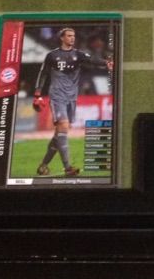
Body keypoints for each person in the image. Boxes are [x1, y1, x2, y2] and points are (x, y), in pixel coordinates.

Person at [33, 27, 113, 177]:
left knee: (59, 133)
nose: (72, 38)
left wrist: (106, 63)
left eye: (73, 36)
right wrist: (38, 93)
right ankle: (68, 168)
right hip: (57, 95)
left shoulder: (78, 54)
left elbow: (93, 60)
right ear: (62, 38)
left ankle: (43, 165)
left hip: (71, 97)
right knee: (63, 126)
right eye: (69, 36)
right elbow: (43, 73)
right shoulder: (52, 55)